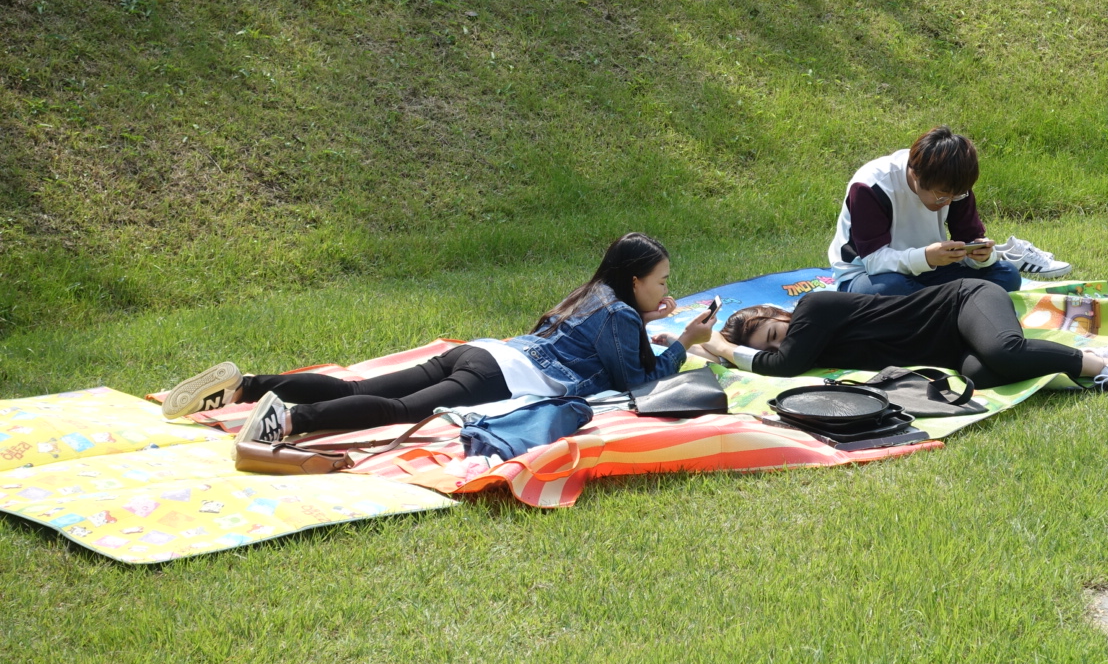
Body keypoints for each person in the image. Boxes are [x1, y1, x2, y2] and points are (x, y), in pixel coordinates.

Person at [160, 233, 716, 444]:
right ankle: (287, 422)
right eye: (662, 281)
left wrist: (645, 321)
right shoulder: (620, 316)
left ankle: (245, 386)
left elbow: (596, 337)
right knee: (401, 412)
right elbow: (637, 381)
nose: (667, 289)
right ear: (635, 281)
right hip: (502, 377)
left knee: (356, 386)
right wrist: (684, 343)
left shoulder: (594, 295)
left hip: (481, 352)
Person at [695, 277, 1108, 395]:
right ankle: (1086, 362)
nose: (781, 345)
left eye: (776, 333)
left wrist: (725, 346)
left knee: (1002, 349)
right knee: (982, 375)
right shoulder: (805, 347)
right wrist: (701, 345)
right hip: (954, 350)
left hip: (963, 302)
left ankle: (1107, 367)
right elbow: (722, 357)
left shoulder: (814, 308)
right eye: (769, 346)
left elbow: (784, 365)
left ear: (781, 314)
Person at [829, 126, 1071, 296]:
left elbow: (969, 240)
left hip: (932, 270)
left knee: (1006, 275)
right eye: (942, 195)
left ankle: (932, 308)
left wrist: (982, 256)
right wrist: (926, 257)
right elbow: (873, 261)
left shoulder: (956, 187)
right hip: (869, 275)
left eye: (956, 196)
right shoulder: (871, 186)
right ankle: (952, 307)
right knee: (889, 290)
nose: (947, 203)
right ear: (915, 174)